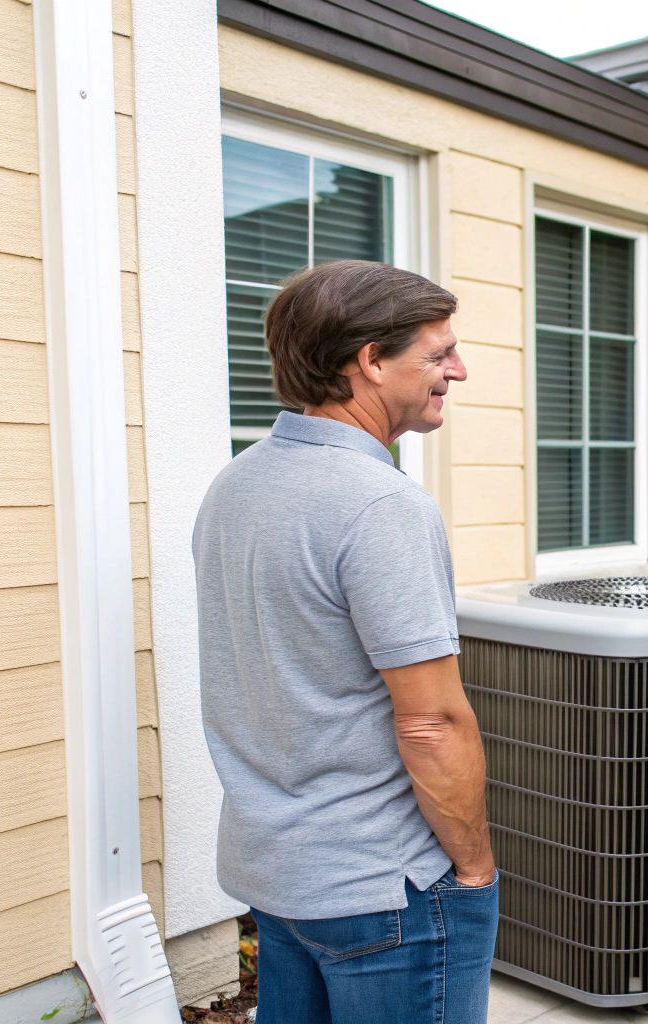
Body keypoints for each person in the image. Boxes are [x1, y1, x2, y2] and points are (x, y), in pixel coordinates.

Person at [193, 260, 496, 1024]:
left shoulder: (236, 485)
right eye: (437, 354)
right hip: (383, 888)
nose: (456, 370)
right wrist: (473, 868)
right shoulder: (380, 505)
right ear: (369, 360)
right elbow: (431, 721)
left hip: (278, 876)